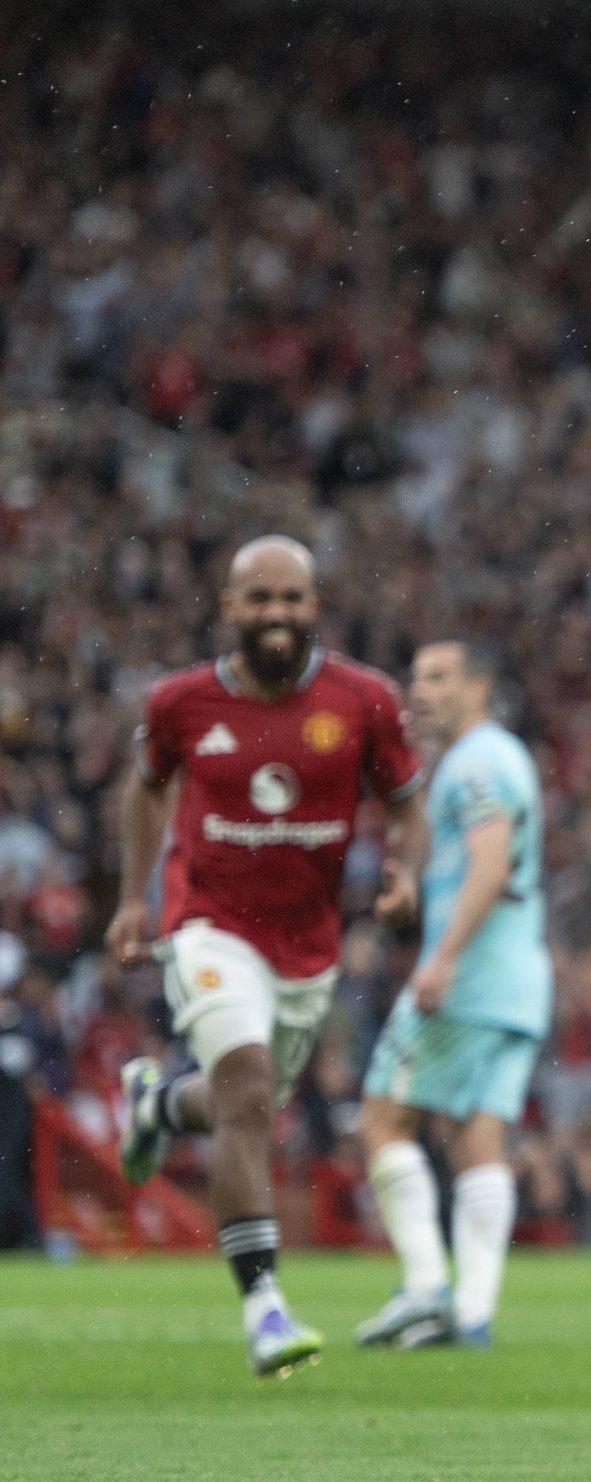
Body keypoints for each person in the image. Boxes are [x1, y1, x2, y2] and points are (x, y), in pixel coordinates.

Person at [108, 536, 425, 1378]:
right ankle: (265, 1308)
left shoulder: (364, 700)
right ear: (229, 607)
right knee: (248, 1086)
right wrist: (133, 899)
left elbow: (405, 802)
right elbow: (144, 786)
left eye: (291, 598)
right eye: (259, 600)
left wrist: (405, 872)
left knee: (243, 1106)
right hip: (207, 922)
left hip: (307, 947)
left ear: (314, 605)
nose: (276, 615)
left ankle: (159, 1108)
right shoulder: (181, 703)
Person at [350, 640, 551, 1350]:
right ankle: (472, 1312)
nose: (421, 691)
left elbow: (492, 863)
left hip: (471, 976)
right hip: (520, 978)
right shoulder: (505, 757)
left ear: (481, 685)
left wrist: (440, 958)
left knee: (381, 1118)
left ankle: (426, 1287)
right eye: (416, 678)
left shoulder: (475, 762)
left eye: (439, 677)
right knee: (477, 1137)